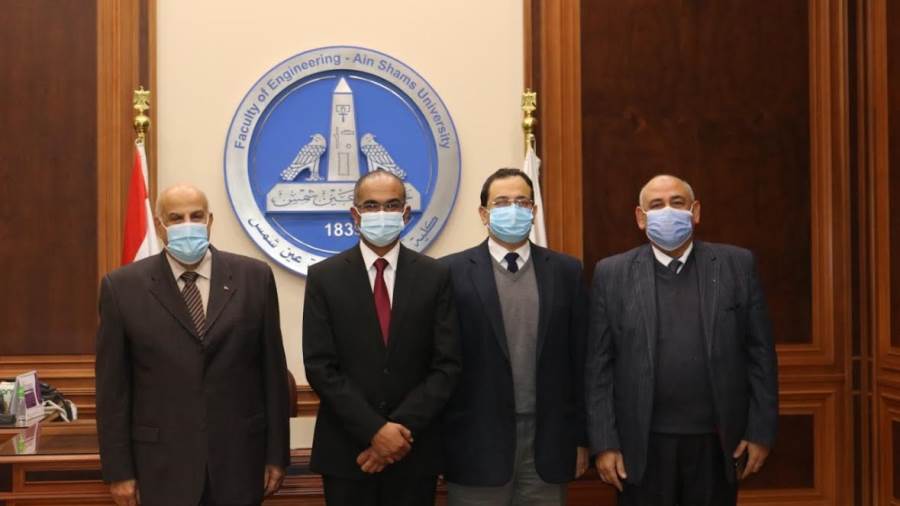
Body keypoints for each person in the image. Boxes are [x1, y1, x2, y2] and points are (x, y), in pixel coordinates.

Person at [586, 174, 779, 505]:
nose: (667, 211)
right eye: (656, 205)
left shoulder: (736, 265)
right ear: (640, 217)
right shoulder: (611, 273)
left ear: (695, 211)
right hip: (640, 447)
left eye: (677, 203)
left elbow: (760, 355)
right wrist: (604, 444)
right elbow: (598, 368)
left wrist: (760, 432)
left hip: (717, 445)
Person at [95, 184, 291, 506]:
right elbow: (113, 390)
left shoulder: (254, 278)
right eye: (176, 218)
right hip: (160, 467)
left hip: (240, 461)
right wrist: (119, 472)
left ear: (210, 220)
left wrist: (277, 455)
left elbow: (272, 373)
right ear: (160, 226)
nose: (188, 225)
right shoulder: (121, 288)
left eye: (196, 216)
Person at [303, 169, 461, 506]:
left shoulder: (435, 276)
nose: (381, 213)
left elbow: (446, 366)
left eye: (391, 205)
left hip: (413, 451)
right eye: (371, 206)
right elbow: (320, 367)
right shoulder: (324, 278)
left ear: (406, 213)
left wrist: (396, 433)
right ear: (355, 214)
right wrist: (374, 432)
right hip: (347, 453)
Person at [441, 168, 589, 506]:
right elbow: (440, 362)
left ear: (533, 211)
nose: (513, 209)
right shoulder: (449, 272)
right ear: (483, 213)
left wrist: (582, 437)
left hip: (548, 444)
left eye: (522, 202)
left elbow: (581, 359)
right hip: (475, 444)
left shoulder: (566, 271)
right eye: (502, 202)